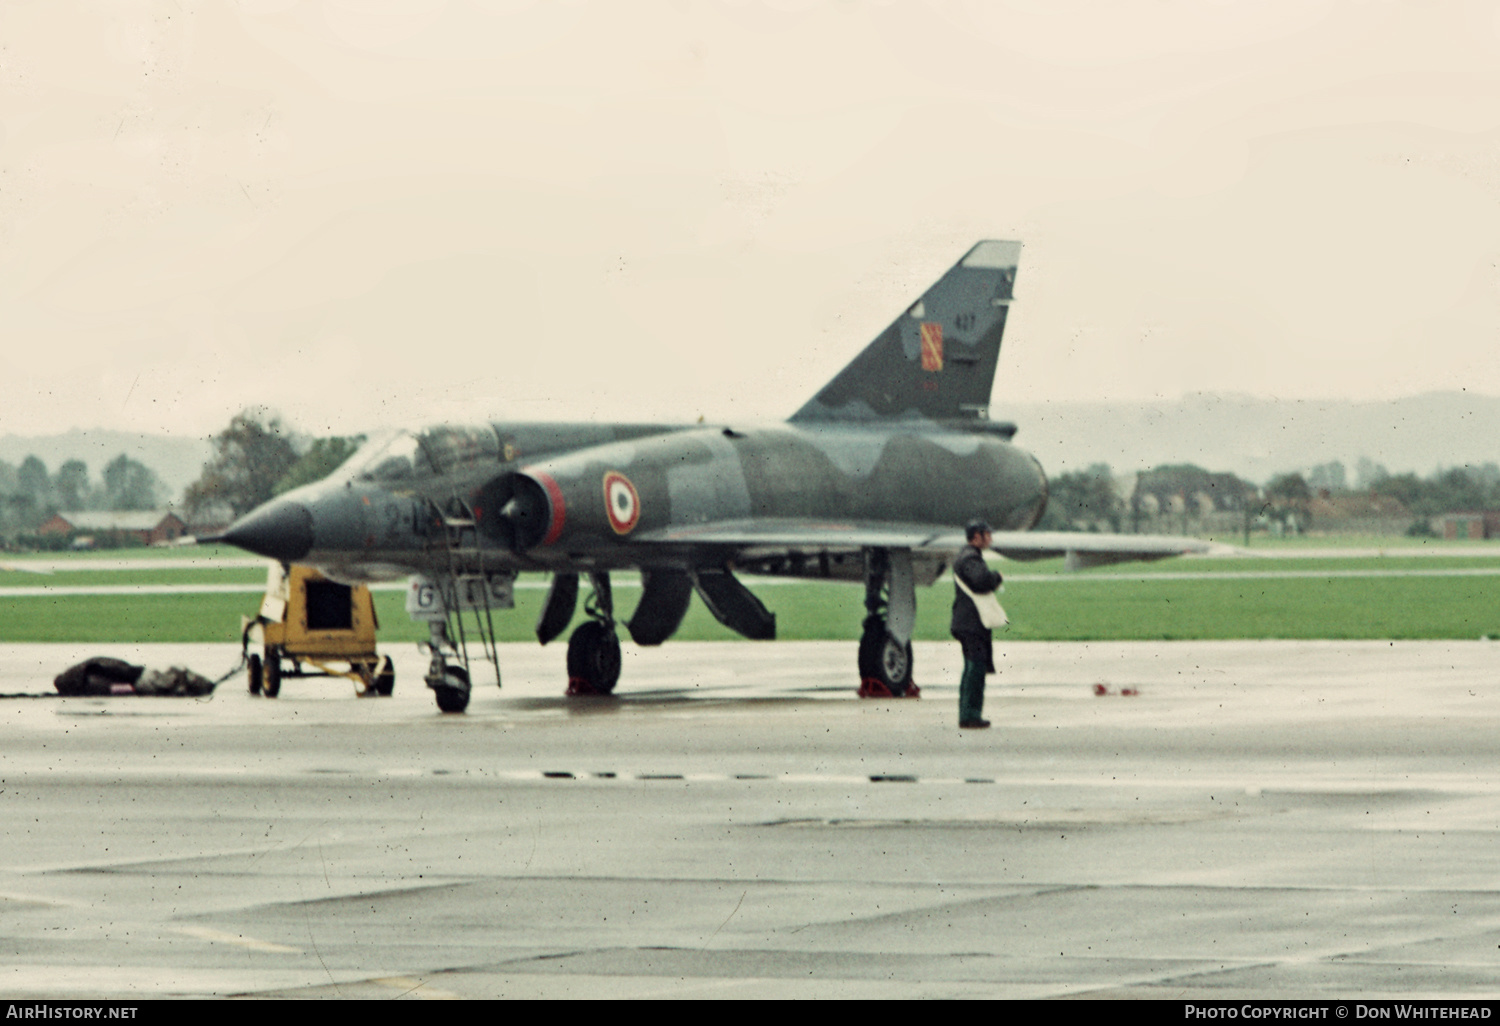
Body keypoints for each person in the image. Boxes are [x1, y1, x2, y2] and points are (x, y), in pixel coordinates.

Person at [951, 518, 1003, 729]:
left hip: (966, 622)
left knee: (971, 667)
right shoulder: (971, 559)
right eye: (986, 534)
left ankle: (968, 713)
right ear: (976, 537)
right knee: (975, 668)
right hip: (972, 623)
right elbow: (981, 581)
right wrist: (996, 577)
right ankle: (970, 715)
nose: (990, 538)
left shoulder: (967, 556)